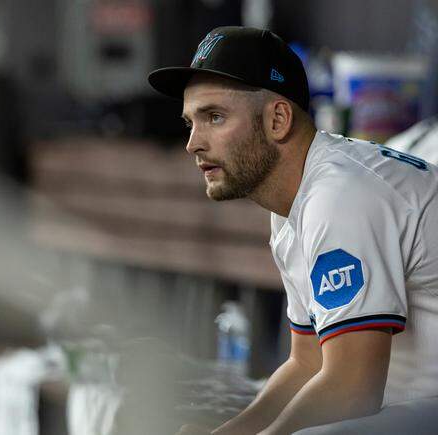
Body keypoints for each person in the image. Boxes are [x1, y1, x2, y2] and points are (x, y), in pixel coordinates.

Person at [148, 26, 438, 435]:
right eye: (190, 122)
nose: (193, 143)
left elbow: (353, 388)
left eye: (214, 117)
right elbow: (308, 363)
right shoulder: (294, 201)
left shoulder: (339, 195)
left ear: (278, 119)